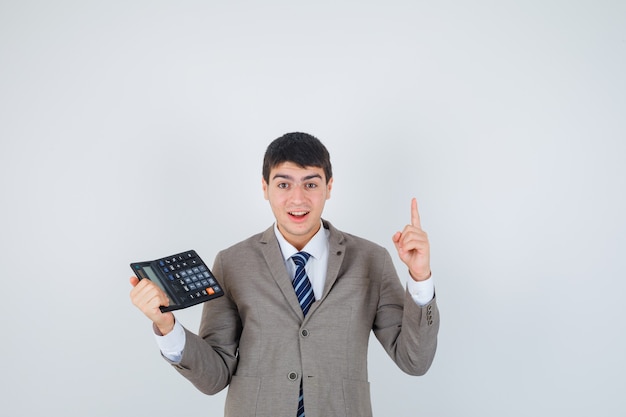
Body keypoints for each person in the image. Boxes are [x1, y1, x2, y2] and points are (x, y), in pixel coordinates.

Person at [129, 132, 440, 417]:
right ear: (264, 188)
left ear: (329, 188)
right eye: (283, 184)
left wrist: (420, 277)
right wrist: (166, 326)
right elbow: (214, 376)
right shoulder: (232, 262)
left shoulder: (372, 260)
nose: (297, 199)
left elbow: (415, 360)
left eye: (311, 183)